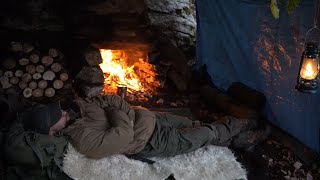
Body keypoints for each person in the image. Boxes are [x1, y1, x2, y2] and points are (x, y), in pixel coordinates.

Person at [46, 92, 269, 159]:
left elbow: (113, 99)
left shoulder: (80, 106)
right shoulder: (82, 139)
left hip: (153, 118)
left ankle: (241, 142)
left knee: (197, 125)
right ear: (52, 130)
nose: (63, 112)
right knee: (208, 132)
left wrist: (121, 115)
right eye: (58, 116)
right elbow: (123, 136)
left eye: (59, 109)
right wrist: (120, 115)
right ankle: (247, 125)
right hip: (152, 141)